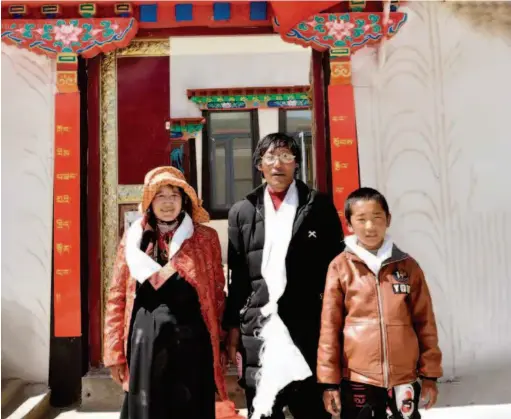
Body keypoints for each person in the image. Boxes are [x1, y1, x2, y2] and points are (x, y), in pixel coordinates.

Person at [103, 166, 242, 419]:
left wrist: (221, 343)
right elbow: (117, 296)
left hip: (193, 345)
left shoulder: (205, 238)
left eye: (174, 196)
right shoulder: (134, 240)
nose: (168, 203)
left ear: (184, 200)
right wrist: (114, 353)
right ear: (149, 201)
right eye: (160, 196)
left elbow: (217, 294)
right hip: (145, 344)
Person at [223, 133, 345, 419]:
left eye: (286, 157)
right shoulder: (242, 212)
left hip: (306, 327)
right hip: (260, 330)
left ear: (296, 164)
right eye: (270, 157)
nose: (278, 164)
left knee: (312, 410)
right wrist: (231, 328)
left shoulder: (318, 206)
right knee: (264, 409)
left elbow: (335, 272)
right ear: (259, 165)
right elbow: (237, 277)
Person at [317, 187, 443, 419]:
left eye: (377, 218)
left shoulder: (408, 266)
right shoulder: (340, 266)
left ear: (388, 220)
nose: (370, 226)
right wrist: (329, 384)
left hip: (403, 378)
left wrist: (430, 375)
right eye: (361, 219)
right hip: (357, 378)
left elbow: (426, 324)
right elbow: (329, 329)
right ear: (349, 224)